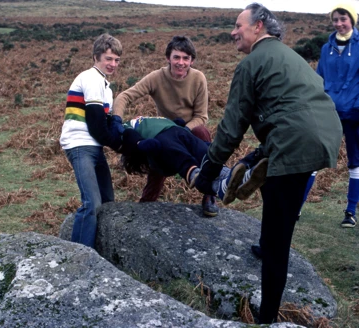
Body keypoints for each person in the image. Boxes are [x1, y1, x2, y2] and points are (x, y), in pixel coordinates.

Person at [194, 3, 342, 324]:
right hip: (324, 135)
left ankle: (268, 316)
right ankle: (257, 178)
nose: (233, 31)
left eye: (238, 25)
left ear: (258, 26)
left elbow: (232, 128)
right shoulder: (290, 56)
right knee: (275, 190)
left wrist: (207, 172)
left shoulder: (251, 63)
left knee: (279, 231)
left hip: (294, 141)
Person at [112, 36, 217, 216]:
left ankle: (209, 194)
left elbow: (201, 116)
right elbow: (124, 96)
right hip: (163, 130)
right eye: (176, 57)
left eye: (186, 58)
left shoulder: (198, 78)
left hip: (189, 128)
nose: (181, 63)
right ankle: (147, 202)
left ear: (191, 60)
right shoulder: (156, 77)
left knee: (203, 135)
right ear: (168, 58)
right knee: (157, 156)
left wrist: (184, 129)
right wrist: (116, 121)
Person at [59, 33, 123, 248]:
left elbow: (104, 125)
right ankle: (78, 254)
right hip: (80, 144)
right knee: (92, 203)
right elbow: (97, 123)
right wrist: (119, 144)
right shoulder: (91, 78)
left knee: (107, 201)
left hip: (94, 146)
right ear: (96, 57)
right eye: (108, 59)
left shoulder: (106, 86)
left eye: (116, 60)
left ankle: (103, 250)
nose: (113, 64)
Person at [119, 116, 268, 206]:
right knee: (182, 157)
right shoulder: (127, 125)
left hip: (179, 131)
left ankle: (236, 179)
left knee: (204, 155)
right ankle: (204, 178)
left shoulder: (134, 123)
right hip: (162, 141)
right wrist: (140, 144)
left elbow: (178, 121)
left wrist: (180, 124)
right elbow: (128, 136)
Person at [317, 1, 359, 228]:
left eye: (343, 19)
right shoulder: (326, 48)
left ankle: (350, 212)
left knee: (355, 162)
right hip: (329, 113)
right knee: (314, 157)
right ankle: (297, 208)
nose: (339, 24)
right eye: (335, 20)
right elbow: (319, 78)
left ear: (352, 20)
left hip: (355, 114)